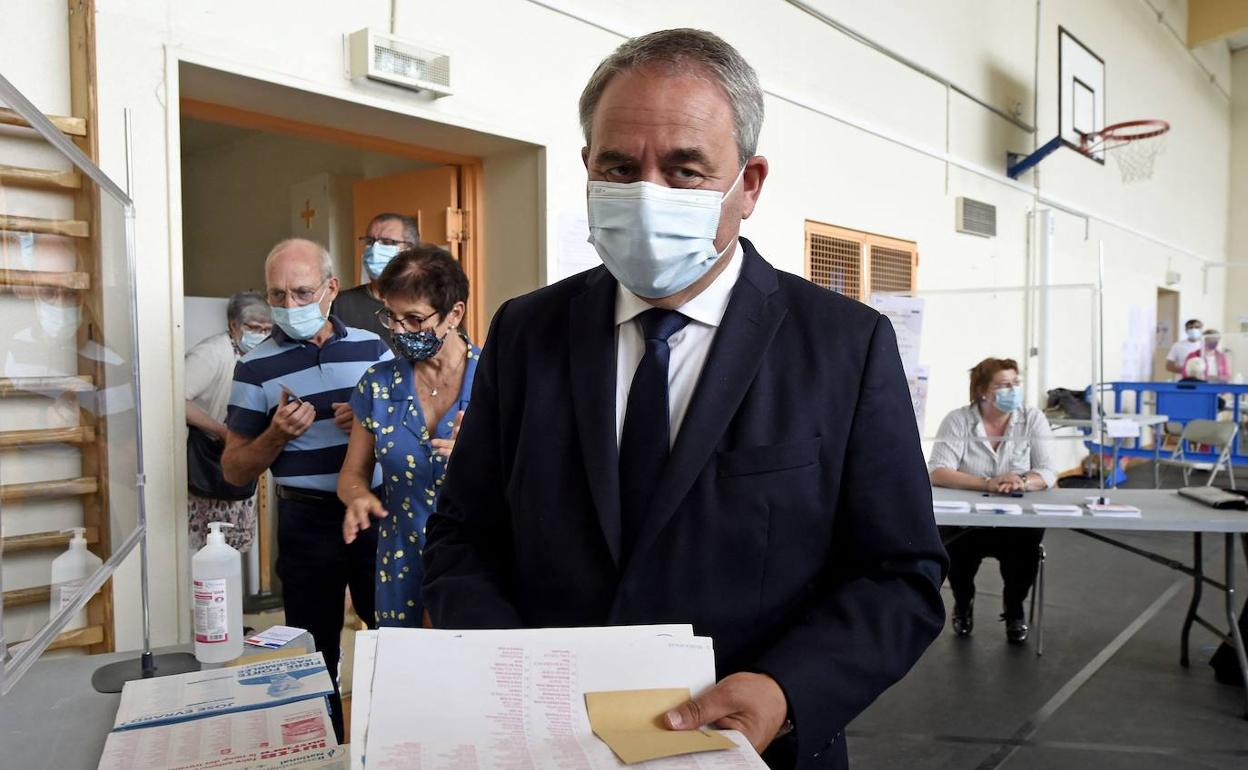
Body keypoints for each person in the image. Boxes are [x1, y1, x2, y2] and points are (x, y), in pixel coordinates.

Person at [421, 29, 947, 770]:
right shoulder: (526, 331)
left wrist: (786, 691)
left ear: (751, 184)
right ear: (587, 171)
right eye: (618, 166)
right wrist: (509, 662)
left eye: (685, 169)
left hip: (753, 752)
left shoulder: (842, 347)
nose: (646, 194)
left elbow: (902, 575)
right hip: (547, 747)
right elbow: (461, 536)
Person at [221, 238, 393, 742]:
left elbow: (409, 435)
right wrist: (276, 435)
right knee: (312, 652)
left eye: (301, 293)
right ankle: (321, 747)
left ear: (331, 289)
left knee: (392, 634)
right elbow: (233, 470)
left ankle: (387, 740)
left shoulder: (374, 348)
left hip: (375, 513)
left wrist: (369, 425)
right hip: (306, 521)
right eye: (278, 296)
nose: (289, 307)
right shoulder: (253, 367)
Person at [339, 246, 477, 627]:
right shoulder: (378, 386)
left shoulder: (495, 381)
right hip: (400, 562)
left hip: (477, 563)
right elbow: (352, 475)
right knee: (404, 676)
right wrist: (359, 497)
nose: (400, 331)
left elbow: (533, 482)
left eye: (414, 319)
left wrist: (478, 458)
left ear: (455, 314)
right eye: (392, 317)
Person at [928, 357, 1056, 644]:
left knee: (1023, 559)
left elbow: (1047, 471)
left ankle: (1014, 609)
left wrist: (1022, 481)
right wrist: (987, 483)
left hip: (1016, 517)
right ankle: (963, 604)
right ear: (983, 390)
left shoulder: (1032, 418)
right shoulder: (958, 420)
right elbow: (938, 471)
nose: (1012, 390)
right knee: (957, 558)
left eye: (1015, 383)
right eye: (1003, 384)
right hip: (968, 517)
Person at [185, 290, 271, 551]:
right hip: (208, 456)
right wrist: (222, 431)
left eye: (267, 329)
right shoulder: (211, 353)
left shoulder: (263, 356)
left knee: (234, 546)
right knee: (206, 546)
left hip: (244, 457)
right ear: (234, 325)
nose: (261, 334)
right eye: (254, 328)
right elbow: (174, 401)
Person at [330, 213, 419, 344]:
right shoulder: (340, 304)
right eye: (370, 241)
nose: (375, 248)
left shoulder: (427, 305)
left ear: (409, 250)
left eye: (387, 242)